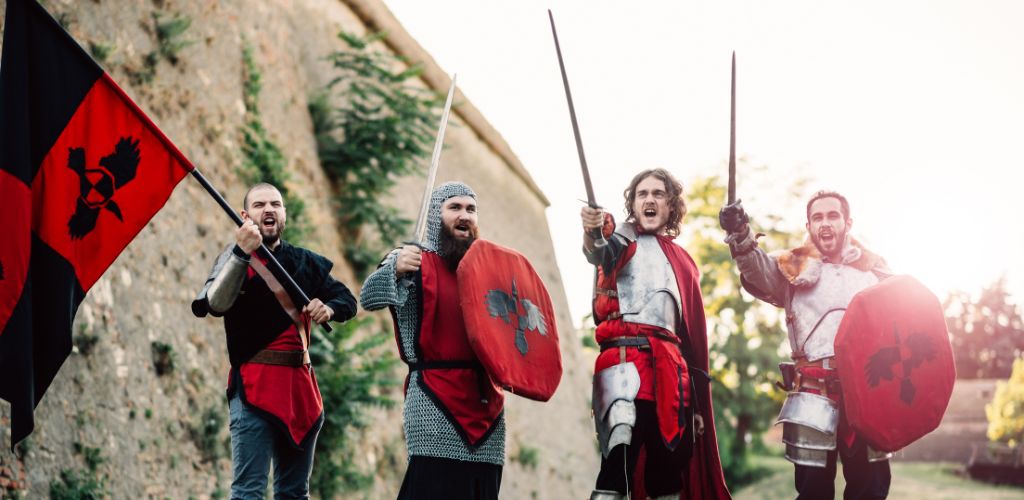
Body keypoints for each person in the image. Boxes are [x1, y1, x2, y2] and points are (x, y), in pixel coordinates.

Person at [719, 190, 892, 499]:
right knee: (813, 494)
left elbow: (904, 321)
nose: (825, 223)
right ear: (809, 225)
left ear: (847, 222)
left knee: (871, 491)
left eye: (833, 215)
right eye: (818, 217)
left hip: (866, 393)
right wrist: (740, 234)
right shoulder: (793, 268)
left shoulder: (876, 270)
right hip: (814, 393)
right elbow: (757, 269)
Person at [192, 182, 357, 499]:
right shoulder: (231, 258)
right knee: (248, 492)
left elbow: (346, 300)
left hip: (300, 392)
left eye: (275, 204)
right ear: (245, 215)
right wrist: (242, 253)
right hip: (254, 388)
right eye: (259, 205)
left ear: (283, 214)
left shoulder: (306, 262)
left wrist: (330, 308)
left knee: (295, 493)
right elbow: (214, 303)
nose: (269, 210)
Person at [581, 168, 730, 500]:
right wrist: (593, 230)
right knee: (616, 467)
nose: (649, 199)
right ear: (633, 204)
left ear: (670, 205)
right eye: (642, 194)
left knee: (667, 473)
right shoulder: (621, 240)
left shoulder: (683, 262)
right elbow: (600, 252)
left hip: (671, 376)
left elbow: (690, 338)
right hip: (623, 367)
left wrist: (696, 410)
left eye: (658, 194)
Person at [361, 182, 505, 500]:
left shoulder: (488, 271)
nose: (464, 215)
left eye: (471, 209)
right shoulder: (413, 261)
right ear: (435, 215)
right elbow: (369, 297)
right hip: (434, 398)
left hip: (487, 405)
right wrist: (394, 270)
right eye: (454, 208)